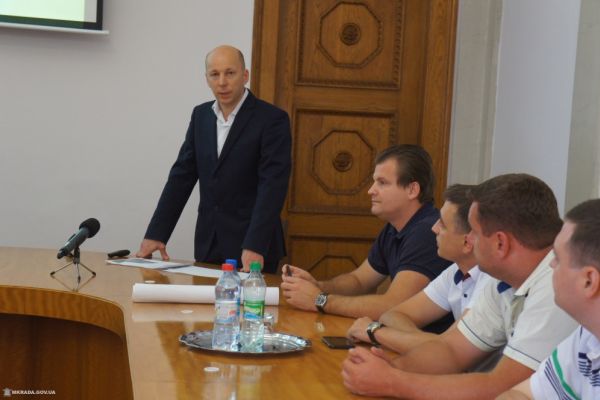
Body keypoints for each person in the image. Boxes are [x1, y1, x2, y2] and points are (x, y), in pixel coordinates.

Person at [342, 173, 578, 399]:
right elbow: (450, 350)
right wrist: (392, 367)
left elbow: (500, 386)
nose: (469, 240)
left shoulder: (556, 285)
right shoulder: (501, 279)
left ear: (500, 243)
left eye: (474, 231)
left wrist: (392, 381)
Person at [136, 45, 291, 273]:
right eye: (214, 74)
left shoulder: (272, 119)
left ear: (245, 75)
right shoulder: (201, 116)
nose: (222, 82)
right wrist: (156, 233)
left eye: (230, 73)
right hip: (209, 243)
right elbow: (181, 177)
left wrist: (255, 244)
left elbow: (273, 186)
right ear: (207, 79)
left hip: (253, 248)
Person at [281, 144, 453, 323]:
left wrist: (319, 300)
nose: (370, 190)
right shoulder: (394, 227)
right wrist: (317, 286)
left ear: (412, 190)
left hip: (424, 339)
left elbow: (393, 306)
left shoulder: (428, 231)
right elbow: (359, 281)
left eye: (382, 182)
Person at [346, 183, 490, 353]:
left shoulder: (490, 282)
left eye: (443, 224)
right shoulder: (455, 272)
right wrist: (423, 342)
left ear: (467, 242)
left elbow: (448, 350)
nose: (434, 228)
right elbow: (392, 315)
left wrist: (375, 331)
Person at [498, 199, 600, 400]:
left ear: (589, 280)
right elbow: (520, 393)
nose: (551, 265)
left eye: (558, 258)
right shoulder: (587, 336)